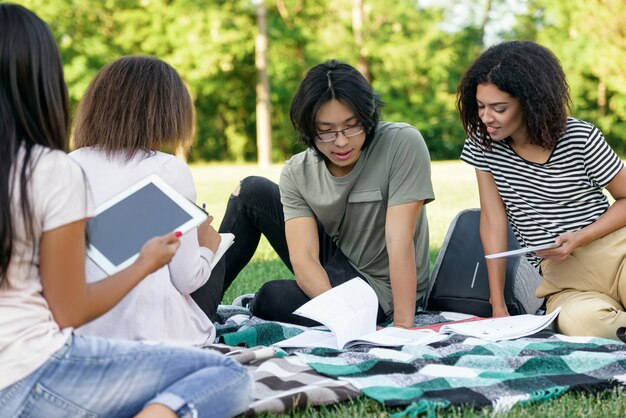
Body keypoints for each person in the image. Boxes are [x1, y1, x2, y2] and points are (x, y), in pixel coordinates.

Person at [0, 4, 251, 418]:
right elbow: (70, 310)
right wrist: (152, 260)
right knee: (227, 376)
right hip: (32, 371)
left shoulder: (72, 162)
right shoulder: (51, 170)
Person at [213, 59, 434, 329]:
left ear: (367, 117)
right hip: (336, 265)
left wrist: (402, 328)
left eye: (352, 126)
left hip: (381, 288)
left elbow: (399, 240)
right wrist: (341, 312)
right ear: (309, 130)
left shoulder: (402, 143)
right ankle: (197, 310)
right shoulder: (297, 171)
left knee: (271, 298)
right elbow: (304, 258)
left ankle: (264, 304)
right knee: (251, 190)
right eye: (326, 132)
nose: (341, 141)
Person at [457, 40, 626, 340]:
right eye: (481, 106)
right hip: (566, 282)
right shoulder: (483, 144)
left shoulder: (580, 137)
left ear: (530, 102)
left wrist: (579, 238)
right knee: (583, 327)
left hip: (616, 255)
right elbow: (493, 220)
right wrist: (498, 308)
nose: (486, 117)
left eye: (499, 108)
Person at [70, 55, 224, 346]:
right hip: (146, 335)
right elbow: (187, 278)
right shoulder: (168, 170)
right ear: (168, 111)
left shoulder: (68, 164)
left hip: (77, 329)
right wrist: (207, 247)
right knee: (213, 253)